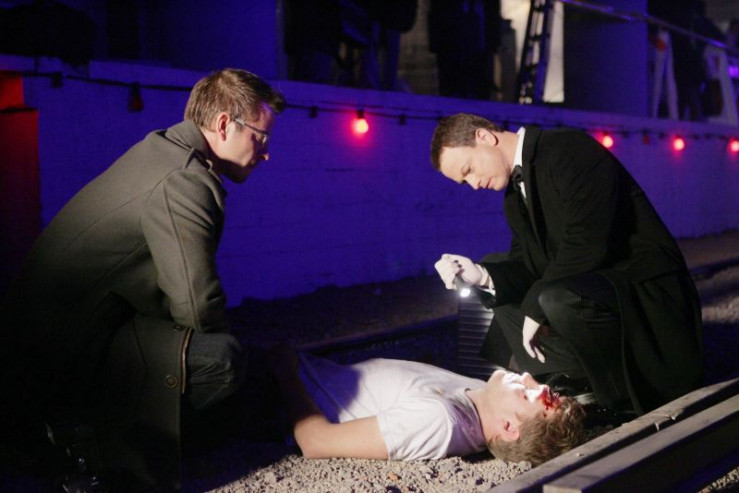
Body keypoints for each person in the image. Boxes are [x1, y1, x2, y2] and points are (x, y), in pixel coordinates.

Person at [0, 68, 285, 487]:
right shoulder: (185, 180)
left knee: (229, 358)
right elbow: (197, 306)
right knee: (223, 360)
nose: (266, 152)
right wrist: (237, 372)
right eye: (260, 137)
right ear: (225, 124)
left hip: (60, 335)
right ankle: (92, 448)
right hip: (60, 355)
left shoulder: (163, 151)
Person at [430, 113, 703, 416]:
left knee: (554, 297)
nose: (473, 185)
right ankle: (574, 385)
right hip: (596, 288)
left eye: (468, 170)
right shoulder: (514, 196)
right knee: (497, 273)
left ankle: (620, 402)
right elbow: (527, 265)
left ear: (484, 137)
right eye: (464, 181)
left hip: (643, 288)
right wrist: (481, 275)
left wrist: (534, 307)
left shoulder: (568, 148)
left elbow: (588, 242)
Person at [268, 344, 585, 465]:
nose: (528, 377)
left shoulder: (439, 422)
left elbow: (316, 441)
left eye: (530, 395)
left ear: (508, 428)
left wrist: (284, 367)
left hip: (268, 394)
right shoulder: (481, 396)